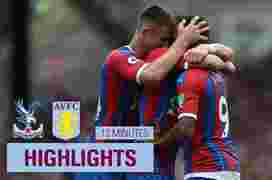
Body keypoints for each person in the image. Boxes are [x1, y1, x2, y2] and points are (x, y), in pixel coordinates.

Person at [85, 5, 209, 180]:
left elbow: (209, 60)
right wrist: (183, 41)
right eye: (163, 39)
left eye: (169, 41)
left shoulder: (155, 61)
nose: (165, 46)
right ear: (146, 32)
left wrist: (206, 51)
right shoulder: (118, 57)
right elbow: (152, 75)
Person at [136, 16, 237, 180]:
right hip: (226, 164)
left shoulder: (189, 77)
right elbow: (230, 63)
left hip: (207, 167)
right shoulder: (216, 75)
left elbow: (186, 128)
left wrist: (159, 143)